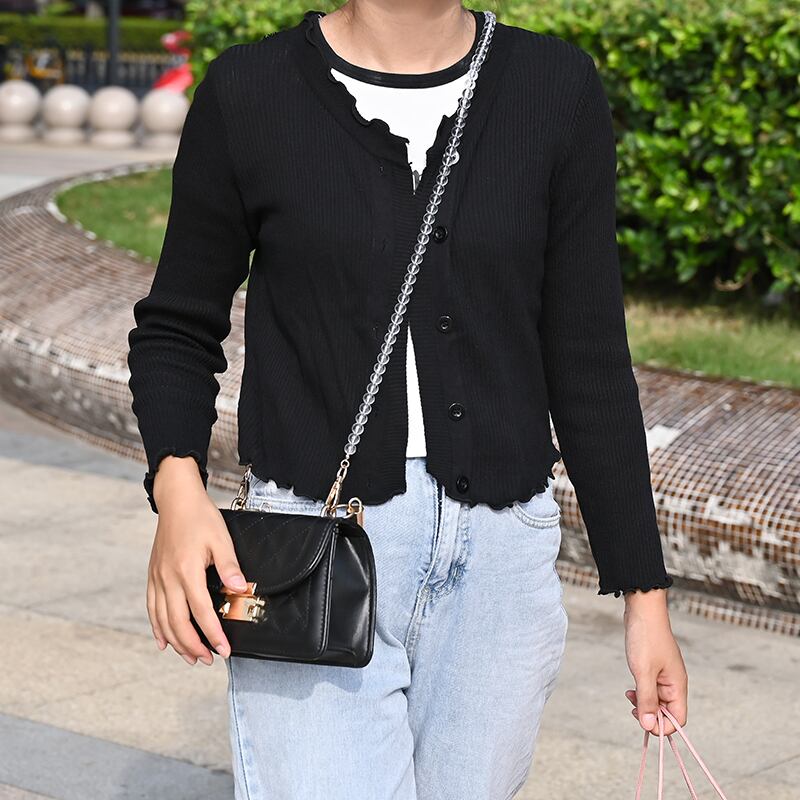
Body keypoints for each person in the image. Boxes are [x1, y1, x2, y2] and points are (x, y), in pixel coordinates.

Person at [126, 3, 688, 798]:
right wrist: (178, 494)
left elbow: (589, 359)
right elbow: (176, 328)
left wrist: (645, 599)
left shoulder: (553, 87)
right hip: (308, 549)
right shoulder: (252, 90)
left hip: (501, 563)